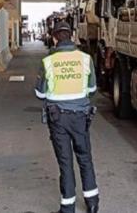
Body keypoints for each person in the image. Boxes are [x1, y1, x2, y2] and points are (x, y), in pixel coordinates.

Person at [36, 21, 99, 213]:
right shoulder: (85, 58)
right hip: (81, 116)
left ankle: (68, 207)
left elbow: (40, 93)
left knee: (65, 161)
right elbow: (92, 89)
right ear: (71, 36)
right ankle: (92, 202)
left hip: (58, 118)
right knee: (85, 157)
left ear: (54, 38)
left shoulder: (48, 61)